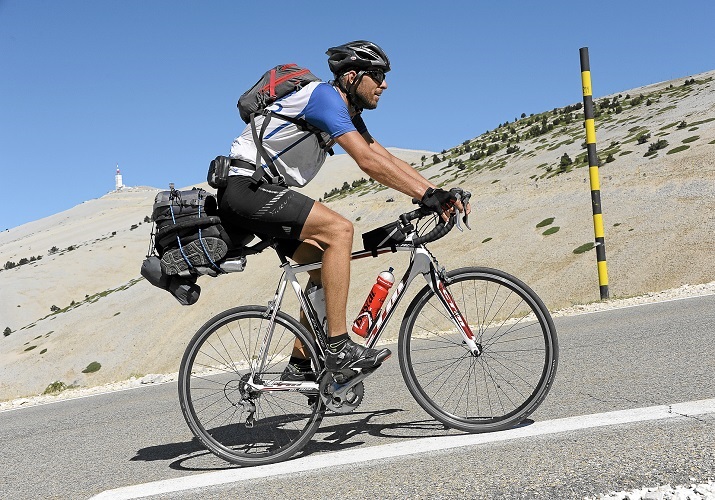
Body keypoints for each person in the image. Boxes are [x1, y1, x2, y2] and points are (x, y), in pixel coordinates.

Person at [217, 40, 469, 379]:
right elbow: (366, 162)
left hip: (261, 193)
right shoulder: (324, 98)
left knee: (321, 267)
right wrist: (427, 196)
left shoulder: (346, 111)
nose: (385, 84)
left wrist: (435, 192)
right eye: (376, 75)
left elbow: (385, 158)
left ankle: (301, 363)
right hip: (247, 189)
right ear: (351, 77)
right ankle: (338, 349)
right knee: (340, 231)